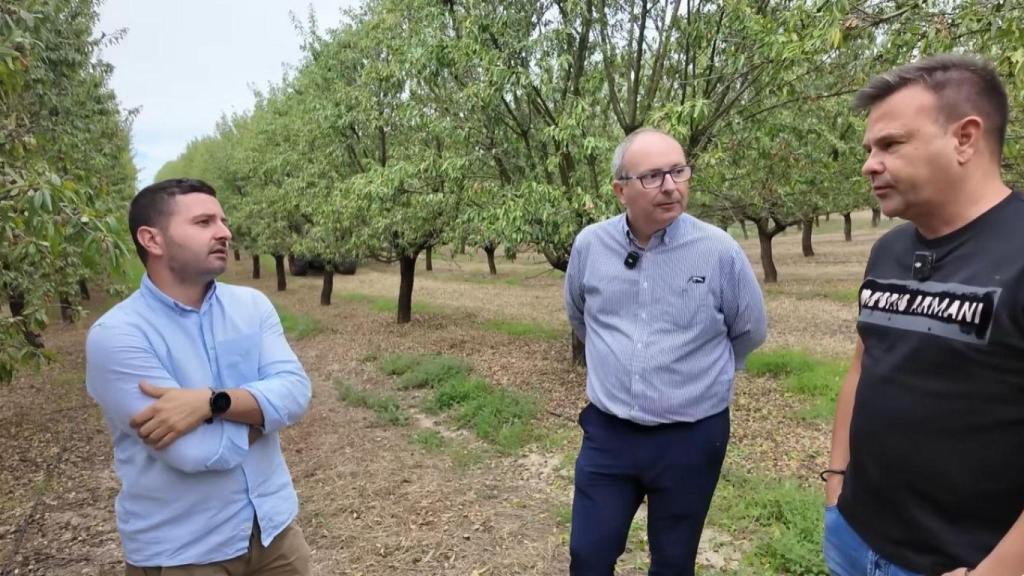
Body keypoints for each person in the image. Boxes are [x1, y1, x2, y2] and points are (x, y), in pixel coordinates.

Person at [825, 54, 1024, 576]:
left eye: (890, 144)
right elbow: (863, 364)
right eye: (869, 148)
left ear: (965, 138)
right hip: (851, 536)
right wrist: (835, 482)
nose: (869, 163)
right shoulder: (889, 252)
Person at [563, 128, 768, 575]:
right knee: (588, 554)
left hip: (691, 439)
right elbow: (581, 318)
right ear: (621, 190)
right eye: (653, 176)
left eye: (678, 171)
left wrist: (697, 376)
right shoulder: (590, 246)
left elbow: (749, 330)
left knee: (674, 562)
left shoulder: (718, 252)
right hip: (609, 436)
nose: (671, 186)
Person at [85, 178, 313, 575]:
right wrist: (265, 412)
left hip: (275, 535)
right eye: (204, 222)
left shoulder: (251, 306)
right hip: (185, 551)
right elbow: (195, 452)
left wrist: (211, 403)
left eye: (222, 221)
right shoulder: (118, 335)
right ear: (152, 239)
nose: (225, 232)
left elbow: (296, 393)